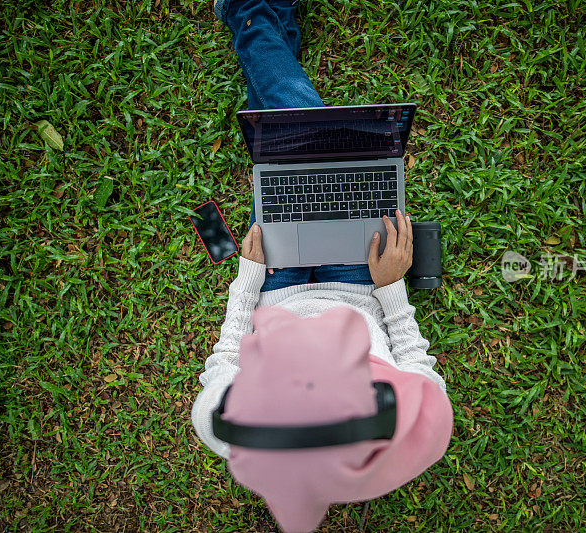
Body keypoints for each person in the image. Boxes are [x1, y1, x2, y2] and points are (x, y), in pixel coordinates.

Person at [191, 1, 453, 531]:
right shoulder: (403, 421)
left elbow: (227, 345)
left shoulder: (221, 423)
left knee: (295, 144)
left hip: (273, 279)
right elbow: (411, 352)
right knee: (307, 144)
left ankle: (253, 15)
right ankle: (262, 20)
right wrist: (392, 285)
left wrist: (248, 272)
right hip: (364, 279)